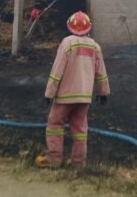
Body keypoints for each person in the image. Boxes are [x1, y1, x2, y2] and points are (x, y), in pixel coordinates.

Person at [35, 11, 110, 169]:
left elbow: (57, 69)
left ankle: (53, 159)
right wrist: (103, 92)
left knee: (55, 124)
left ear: (70, 26)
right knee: (81, 129)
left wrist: (49, 92)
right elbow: (101, 71)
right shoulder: (95, 46)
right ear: (88, 27)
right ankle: (78, 163)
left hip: (65, 95)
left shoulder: (68, 43)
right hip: (84, 97)